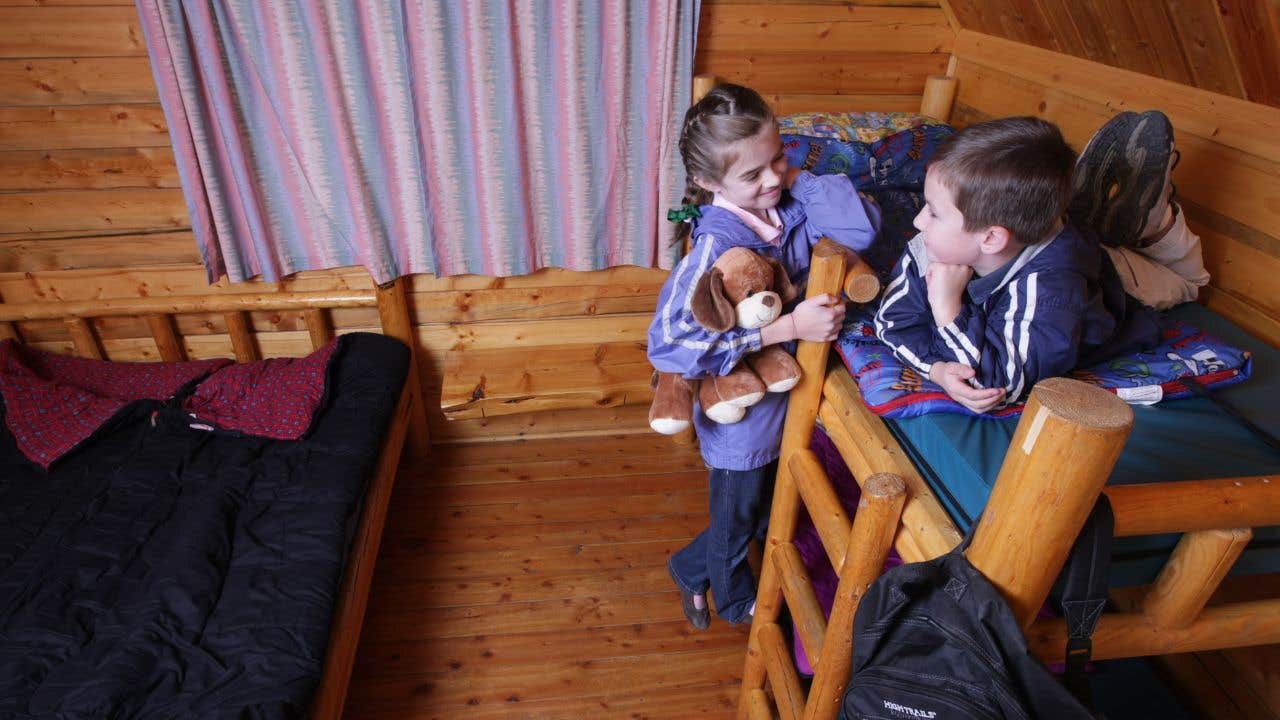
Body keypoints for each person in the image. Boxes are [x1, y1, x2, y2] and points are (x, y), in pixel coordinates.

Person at [647, 84, 881, 629]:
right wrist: (784, 328)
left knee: (763, 512)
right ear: (709, 183)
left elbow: (863, 230)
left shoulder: (789, 201)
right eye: (752, 175)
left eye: (778, 157)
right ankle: (734, 605)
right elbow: (669, 344)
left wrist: (801, 179)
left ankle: (687, 567)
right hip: (742, 415)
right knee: (738, 519)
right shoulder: (715, 246)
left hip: (788, 398)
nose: (772, 178)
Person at [874, 112, 1208, 413]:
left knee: (1188, 284)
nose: (918, 221)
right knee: (1089, 245)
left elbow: (998, 385)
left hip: (1109, 281)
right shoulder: (935, 242)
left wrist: (946, 310)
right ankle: (1090, 212)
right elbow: (892, 322)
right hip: (1062, 242)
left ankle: (1158, 222)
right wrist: (938, 371)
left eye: (933, 211)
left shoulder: (1052, 289)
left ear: (990, 238)